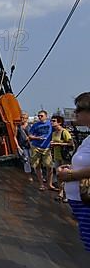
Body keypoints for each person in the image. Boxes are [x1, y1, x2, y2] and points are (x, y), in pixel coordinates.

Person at [58, 92, 90, 251]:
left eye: (80, 109)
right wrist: (70, 168)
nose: (76, 112)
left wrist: (70, 175)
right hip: (80, 200)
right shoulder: (88, 138)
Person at [29, 110, 55, 191]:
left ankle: (49, 184)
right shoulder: (35, 125)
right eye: (39, 116)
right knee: (37, 166)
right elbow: (30, 135)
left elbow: (57, 131)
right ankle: (41, 184)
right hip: (36, 146)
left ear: (46, 116)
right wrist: (37, 138)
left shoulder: (50, 125)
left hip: (46, 147)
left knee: (49, 166)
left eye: (41, 116)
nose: (40, 117)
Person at [51, 115, 73, 202]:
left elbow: (70, 143)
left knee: (66, 175)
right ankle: (60, 193)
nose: (52, 122)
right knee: (59, 175)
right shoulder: (54, 133)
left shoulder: (64, 132)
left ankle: (67, 195)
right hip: (57, 156)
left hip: (64, 156)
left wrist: (58, 144)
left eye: (54, 121)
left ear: (59, 122)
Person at [14, 112, 32, 178]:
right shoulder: (18, 127)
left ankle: (38, 174)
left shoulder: (30, 126)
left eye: (23, 118)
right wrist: (17, 145)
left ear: (27, 119)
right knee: (26, 160)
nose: (22, 119)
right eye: (21, 118)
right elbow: (15, 136)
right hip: (23, 146)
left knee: (33, 160)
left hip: (30, 145)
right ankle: (29, 175)